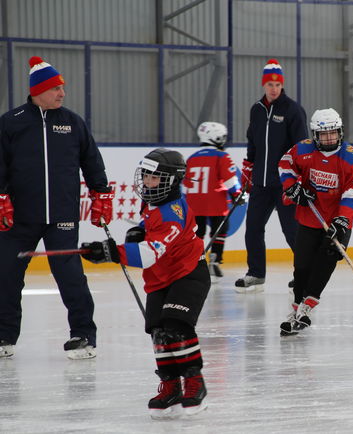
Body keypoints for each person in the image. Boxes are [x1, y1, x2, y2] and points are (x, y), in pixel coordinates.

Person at [80, 148, 211, 419]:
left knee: (176, 324)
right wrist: (139, 229)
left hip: (188, 273)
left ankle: (194, 380)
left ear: (172, 180)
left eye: (155, 178)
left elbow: (149, 253)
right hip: (159, 277)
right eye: (146, 176)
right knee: (159, 331)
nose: (148, 182)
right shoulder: (153, 201)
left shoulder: (173, 211)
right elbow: (149, 225)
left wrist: (110, 252)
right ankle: (171, 384)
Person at [0, 56, 114, 360]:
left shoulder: (72, 121)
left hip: (62, 217)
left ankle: (83, 336)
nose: (62, 93)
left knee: (70, 276)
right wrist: (1, 197)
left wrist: (101, 193)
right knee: (6, 275)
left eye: (62, 88)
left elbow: (91, 160)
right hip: (19, 219)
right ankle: (4, 337)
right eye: (56, 88)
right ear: (38, 90)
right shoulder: (11, 122)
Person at [276, 108, 353, 336]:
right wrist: (292, 187)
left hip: (338, 221)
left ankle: (308, 305)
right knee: (302, 266)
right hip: (310, 217)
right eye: (323, 134)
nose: (329, 138)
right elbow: (285, 164)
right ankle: (295, 307)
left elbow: (352, 194)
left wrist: (342, 219)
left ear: (340, 131)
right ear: (315, 135)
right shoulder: (302, 149)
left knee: (324, 262)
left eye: (333, 133)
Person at [239, 58, 308, 292]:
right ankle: (256, 273)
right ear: (263, 85)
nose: (274, 89)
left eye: (278, 85)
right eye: (270, 84)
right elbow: (253, 142)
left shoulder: (293, 110)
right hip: (260, 182)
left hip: (285, 183)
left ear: (282, 85)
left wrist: (298, 177)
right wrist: (248, 167)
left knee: (292, 231)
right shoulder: (256, 110)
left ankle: (304, 273)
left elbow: (302, 147)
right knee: (253, 228)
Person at [183, 122, 246, 279]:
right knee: (221, 229)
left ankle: (194, 260)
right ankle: (215, 260)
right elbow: (230, 179)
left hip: (193, 203)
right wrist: (237, 194)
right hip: (215, 201)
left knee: (198, 232)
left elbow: (185, 186)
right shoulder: (221, 156)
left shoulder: (191, 158)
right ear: (215, 137)